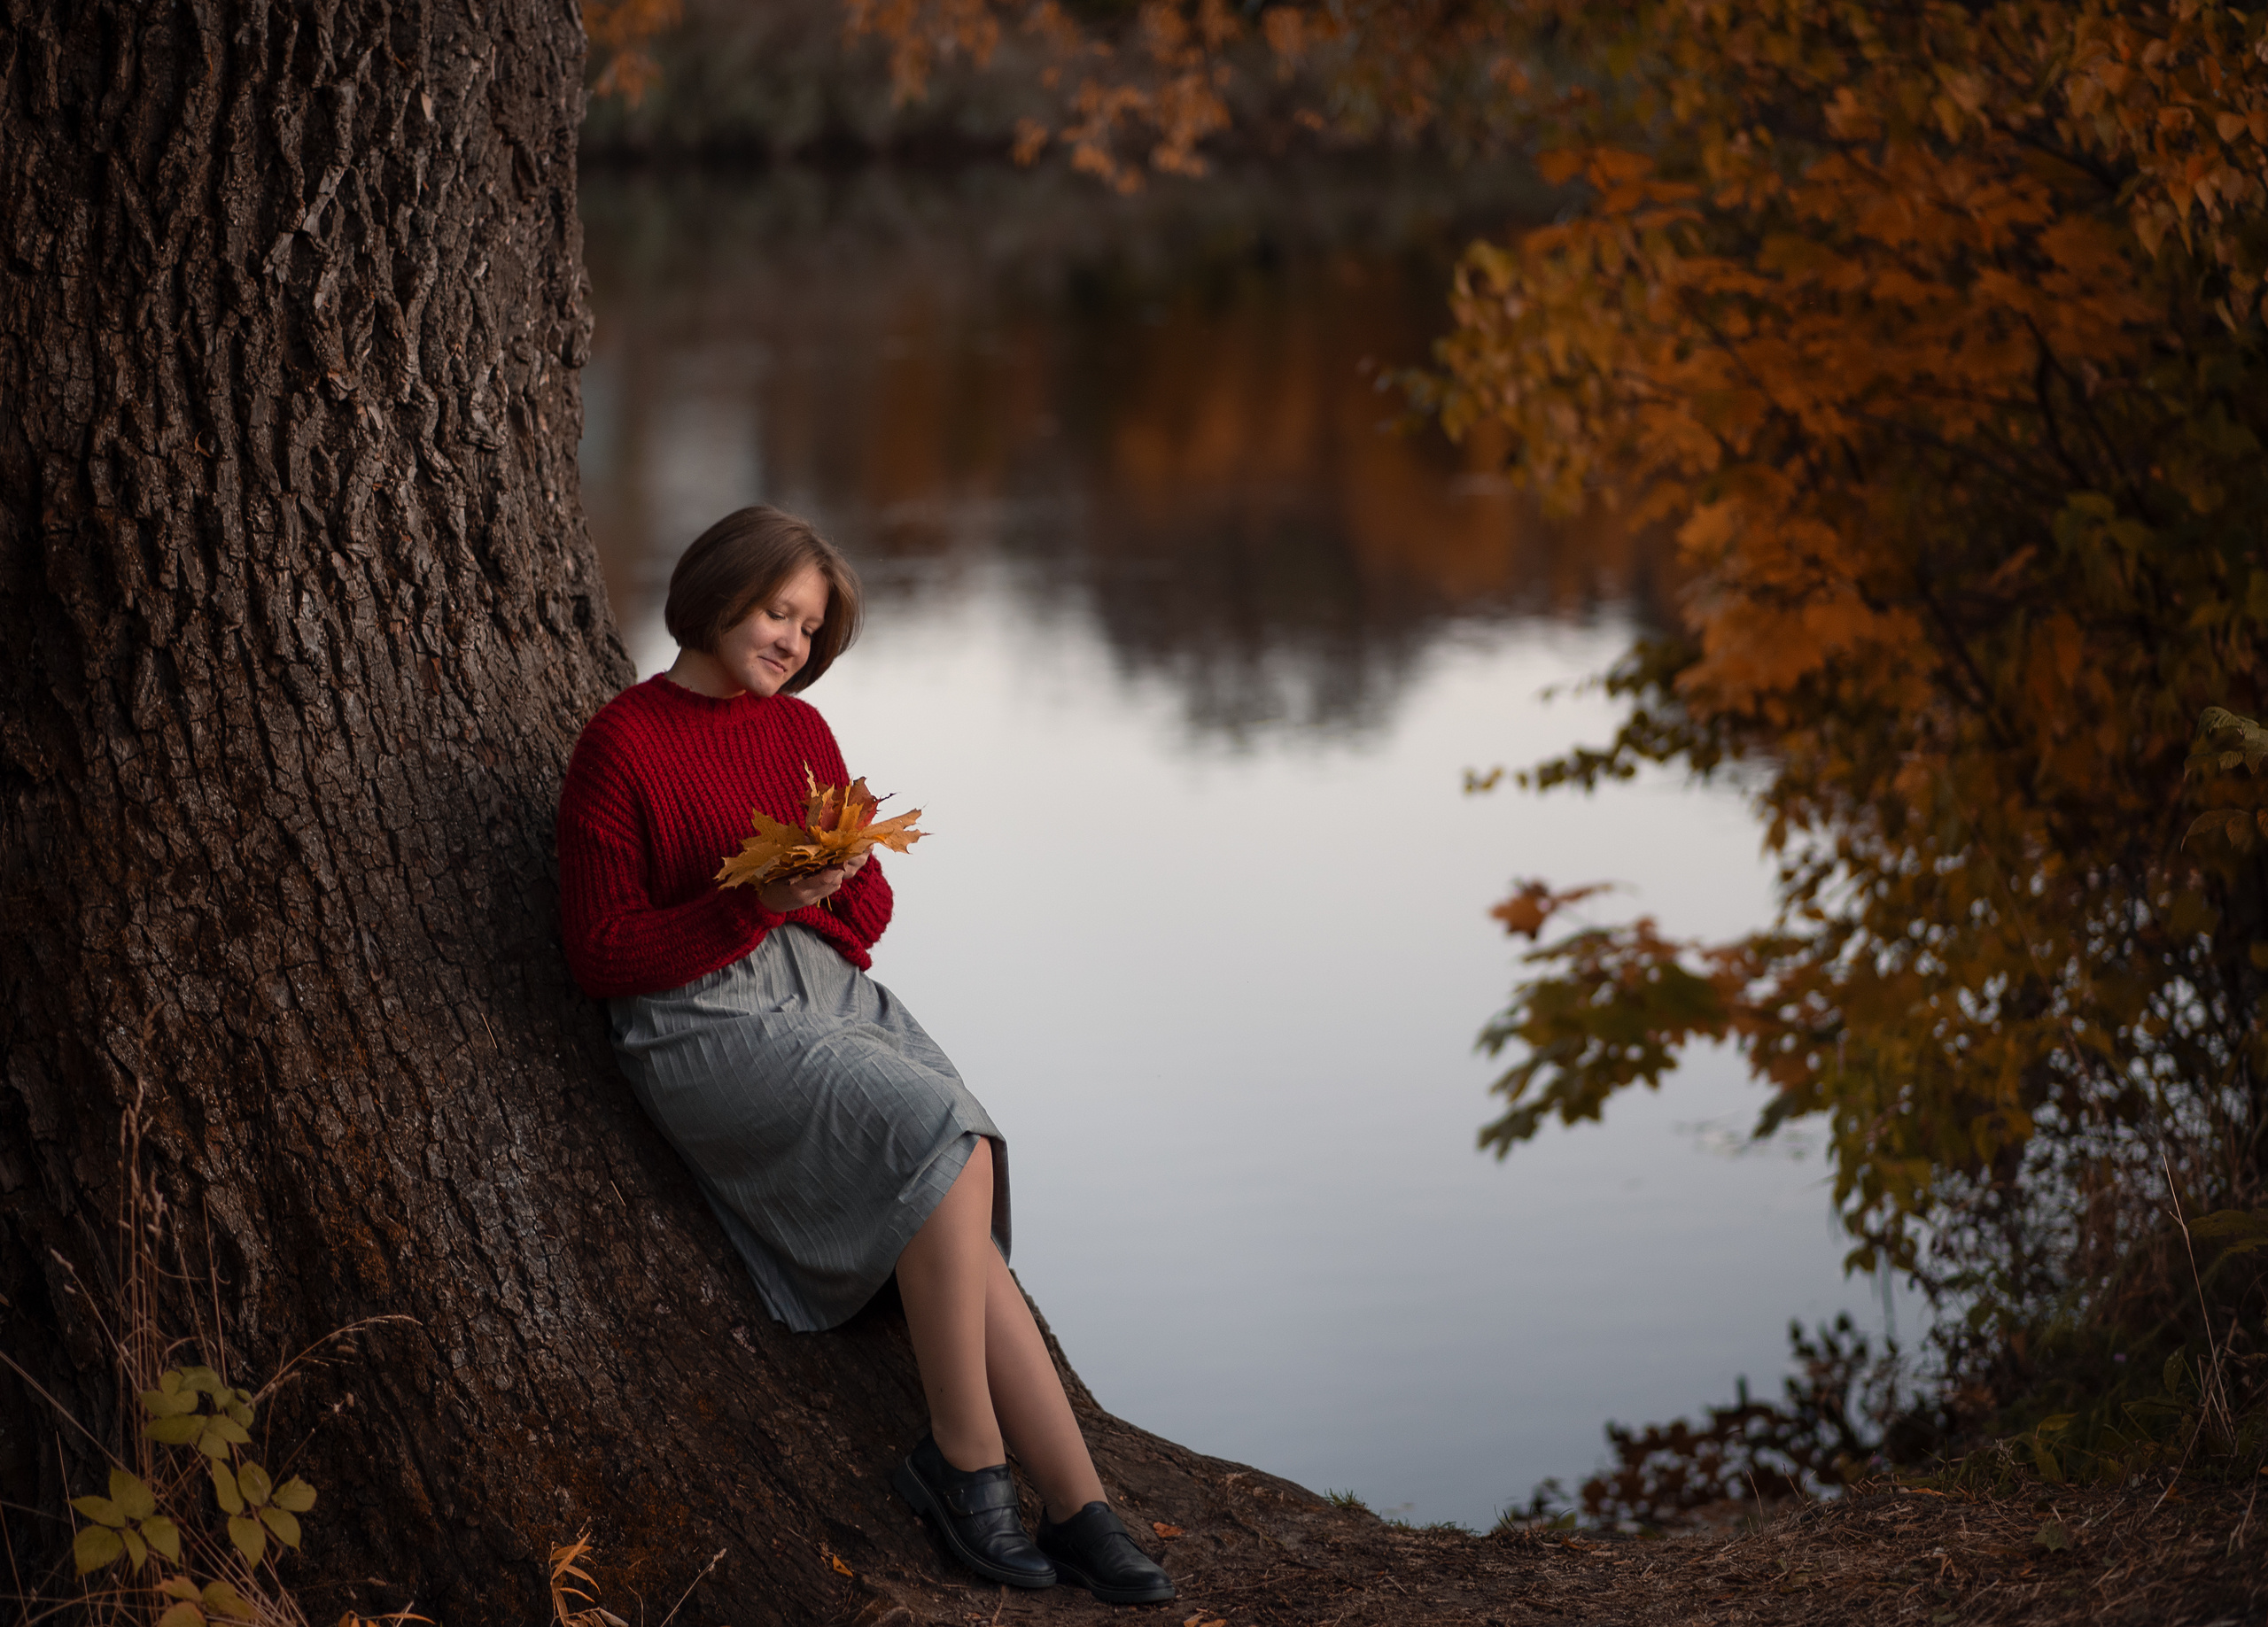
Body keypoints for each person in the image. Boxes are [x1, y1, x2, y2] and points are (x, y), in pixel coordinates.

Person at [555, 506, 1173, 1606]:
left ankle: (1080, 1508)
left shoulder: (800, 732)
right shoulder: (622, 741)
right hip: (698, 1019)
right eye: (777, 612)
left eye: (811, 627)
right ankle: (965, 1461)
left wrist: (829, 884)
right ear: (717, 593)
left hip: (826, 993)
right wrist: (751, 906)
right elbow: (602, 953)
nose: (793, 642)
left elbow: (871, 908)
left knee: (959, 1154)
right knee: (938, 1134)